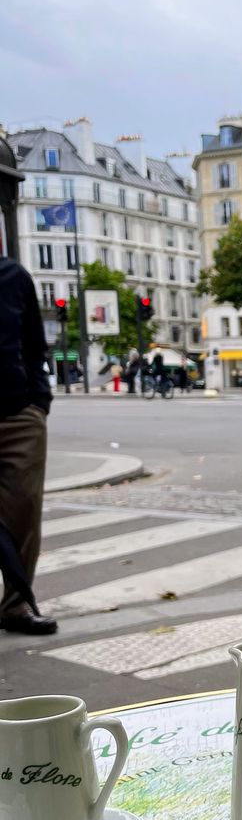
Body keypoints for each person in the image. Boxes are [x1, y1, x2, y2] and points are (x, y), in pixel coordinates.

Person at [0, 256, 57, 635]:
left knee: (23, 512)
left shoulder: (12, 275)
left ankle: (15, 606)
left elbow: (34, 346)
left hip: (17, 414)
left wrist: (39, 401)